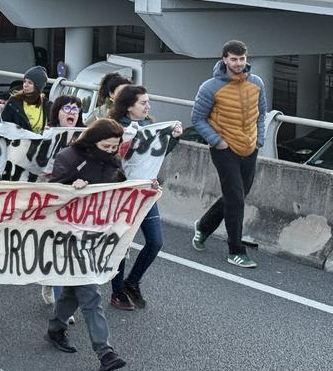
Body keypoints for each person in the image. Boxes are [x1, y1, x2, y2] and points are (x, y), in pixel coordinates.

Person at [44, 118, 129, 371]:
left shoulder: (113, 159)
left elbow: (121, 186)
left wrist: (145, 189)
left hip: (96, 236)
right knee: (90, 293)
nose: (112, 151)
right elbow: (49, 193)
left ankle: (56, 328)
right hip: (67, 236)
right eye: (107, 145)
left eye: (115, 146)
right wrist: (71, 188)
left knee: (74, 288)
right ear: (93, 141)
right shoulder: (69, 157)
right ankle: (105, 352)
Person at [191, 40, 266, 269]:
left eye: (242, 59)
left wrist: (259, 140)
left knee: (237, 196)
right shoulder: (210, 87)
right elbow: (197, 119)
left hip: (249, 148)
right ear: (224, 59)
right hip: (224, 149)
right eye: (233, 59)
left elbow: (261, 113)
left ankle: (203, 227)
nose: (238, 63)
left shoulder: (257, 83)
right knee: (235, 198)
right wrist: (218, 142)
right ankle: (236, 251)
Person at [106, 85, 182, 309]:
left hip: (146, 191)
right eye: (143, 103)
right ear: (129, 106)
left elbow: (155, 154)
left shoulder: (149, 126)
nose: (148, 107)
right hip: (123, 195)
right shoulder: (114, 127)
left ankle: (133, 281)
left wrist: (174, 138)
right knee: (123, 244)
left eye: (148, 102)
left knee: (155, 242)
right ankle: (117, 292)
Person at [1, 66, 51, 133]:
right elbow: (4, 125)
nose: (25, 85)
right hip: (17, 142)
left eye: (30, 83)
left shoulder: (46, 104)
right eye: (24, 81)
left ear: (38, 86)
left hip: (39, 142)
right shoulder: (13, 101)